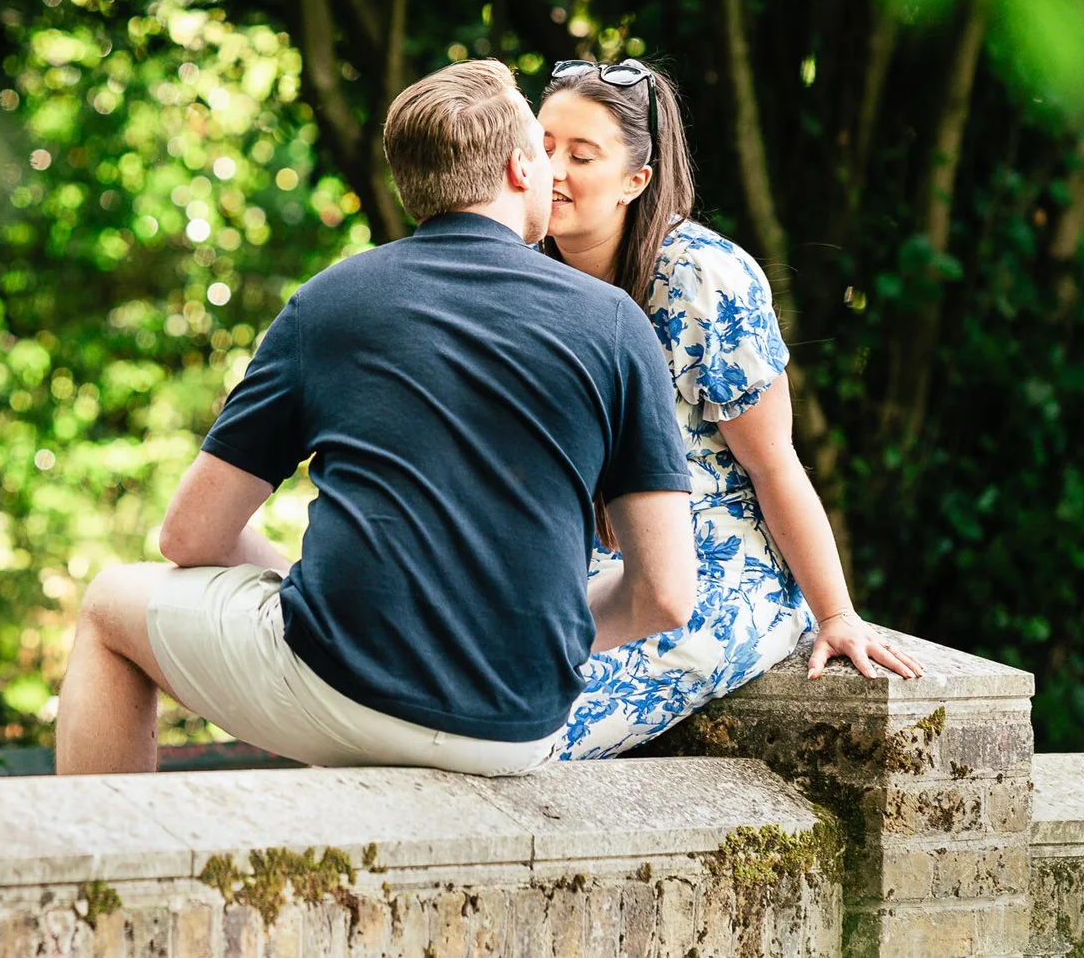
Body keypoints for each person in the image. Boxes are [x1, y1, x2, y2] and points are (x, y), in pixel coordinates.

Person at [55, 59, 697, 776]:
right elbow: (666, 596)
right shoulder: (616, 325)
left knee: (110, 603)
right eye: (542, 152)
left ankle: (101, 880)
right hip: (520, 728)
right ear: (520, 169)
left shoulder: (331, 301)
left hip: (341, 691)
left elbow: (190, 534)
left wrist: (319, 588)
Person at [536, 57, 922, 760]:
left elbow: (774, 462)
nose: (552, 167)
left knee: (529, 724)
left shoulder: (703, 278)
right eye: (542, 145)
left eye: (580, 154)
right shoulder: (523, 269)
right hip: (573, 569)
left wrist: (835, 613)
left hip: (710, 577)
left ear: (636, 180)